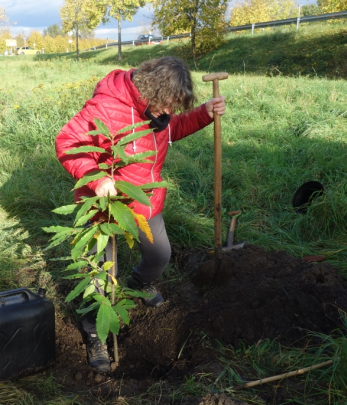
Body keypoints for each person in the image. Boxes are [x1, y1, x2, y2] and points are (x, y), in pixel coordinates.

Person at [55, 56, 226, 372]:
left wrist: (204, 115)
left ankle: (138, 284)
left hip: (144, 201)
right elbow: (67, 141)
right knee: (100, 278)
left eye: (176, 106)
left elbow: (172, 128)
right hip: (104, 207)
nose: (171, 112)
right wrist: (95, 176)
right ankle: (96, 332)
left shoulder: (159, 114)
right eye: (168, 105)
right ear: (151, 92)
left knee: (159, 255)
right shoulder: (106, 107)